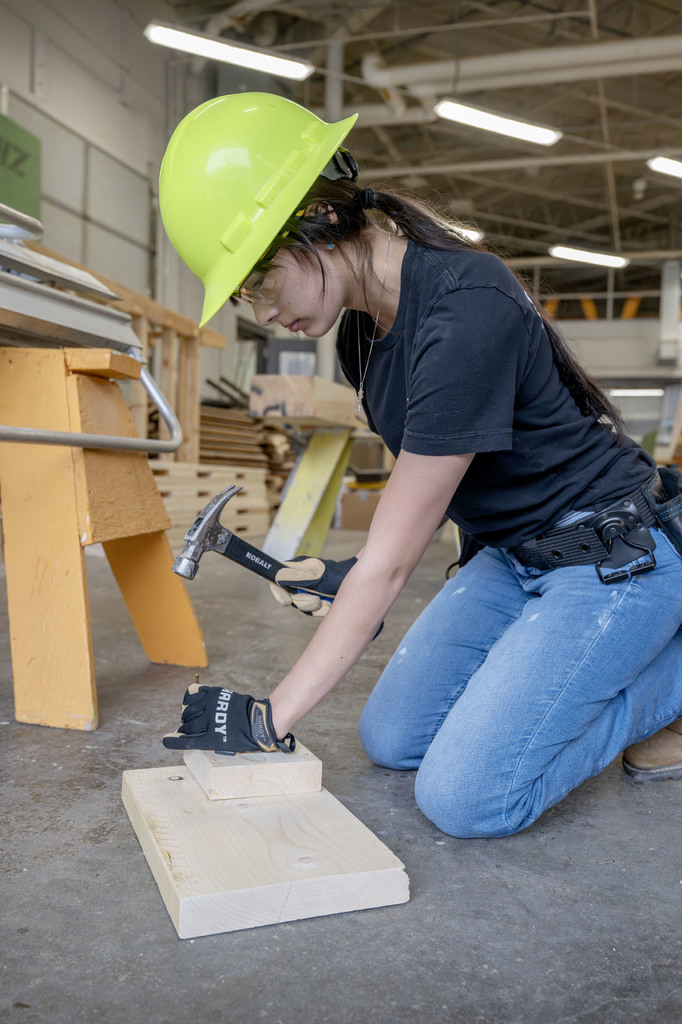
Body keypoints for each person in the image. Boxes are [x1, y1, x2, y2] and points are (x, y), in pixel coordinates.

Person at [159, 92, 682, 837]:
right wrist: (347, 574)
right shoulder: (361, 339)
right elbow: (421, 500)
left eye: (257, 280)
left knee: (470, 799)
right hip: (509, 559)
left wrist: (270, 718)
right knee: (393, 740)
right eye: (246, 295)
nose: (263, 313)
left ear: (322, 220)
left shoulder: (466, 307)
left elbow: (395, 567)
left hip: (610, 560)